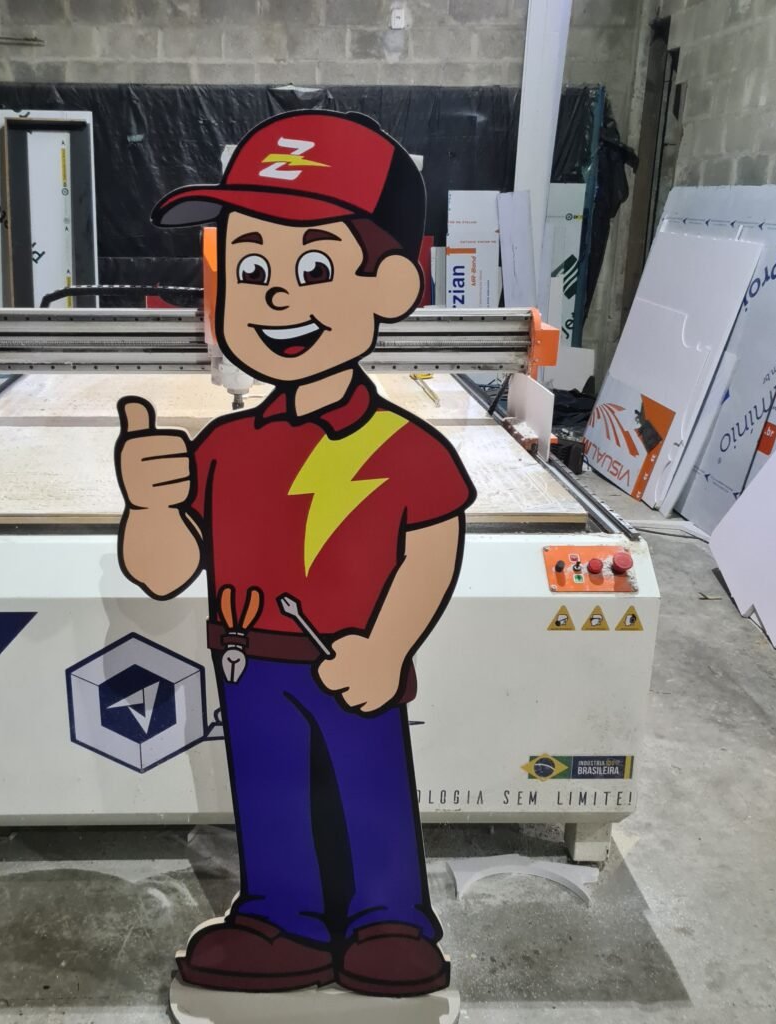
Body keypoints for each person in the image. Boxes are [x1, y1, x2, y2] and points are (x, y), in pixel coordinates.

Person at [116, 109, 476, 997]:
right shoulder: (223, 447)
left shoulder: (404, 447)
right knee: (271, 793)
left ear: (391, 285)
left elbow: (432, 548)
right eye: (251, 269)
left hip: (351, 659)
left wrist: (387, 648)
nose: (276, 297)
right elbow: (165, 569)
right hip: (247, 663)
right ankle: (282, 920)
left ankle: (389, 919)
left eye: (313, 267)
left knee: (368, 788)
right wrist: (148, 505)